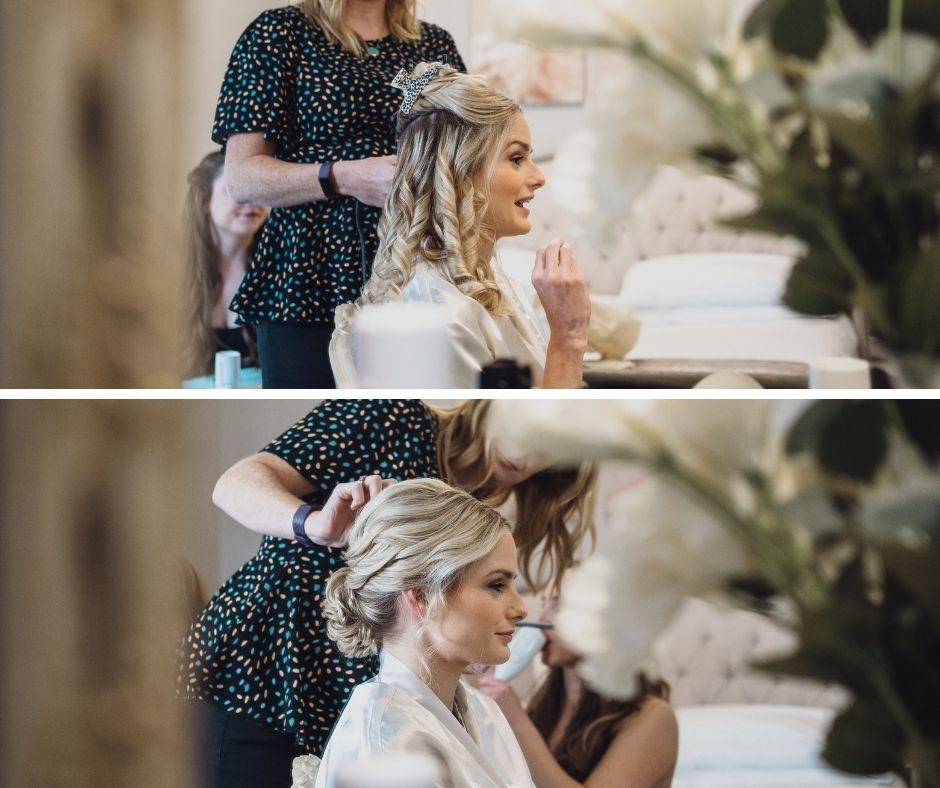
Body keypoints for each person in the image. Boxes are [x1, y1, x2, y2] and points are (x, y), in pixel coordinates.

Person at [178, 399, 596, 788]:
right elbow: (232, 485)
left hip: (358, 702)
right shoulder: (390, 416)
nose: (526, 458)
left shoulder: (472, 510)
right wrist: (315, 524)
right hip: (255, 681)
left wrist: (453, 646)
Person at [215, 2, 465, 387]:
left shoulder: (431, 46)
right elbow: (243, 178)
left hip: (418, 278)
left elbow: (466, 155)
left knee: (413, 427)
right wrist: (342, 177)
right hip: (307, 283)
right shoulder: (280, 35)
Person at [330, 63, 592, 389]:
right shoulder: (437, 309)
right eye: (516, 158)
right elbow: (520, 438)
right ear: (459, 171)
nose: (539, 177)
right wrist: (568, 338)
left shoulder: (495, 285)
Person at [311, 477, 535, 787]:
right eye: (496, 585)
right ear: (421, 596)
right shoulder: (387, 742)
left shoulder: (483, 710)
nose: (521, 608)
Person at [477, 591, 678, 788]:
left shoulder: (655, 716)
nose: (541, 618)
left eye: (558, 606)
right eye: (544, 603)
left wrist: (517, 722)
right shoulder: (548, 702)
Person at [184, 151, 269, 378]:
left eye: (258, 189)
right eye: (235, 190)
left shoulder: (279, 268)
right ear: (204, 201)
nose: (250, 200)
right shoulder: (172, 270)